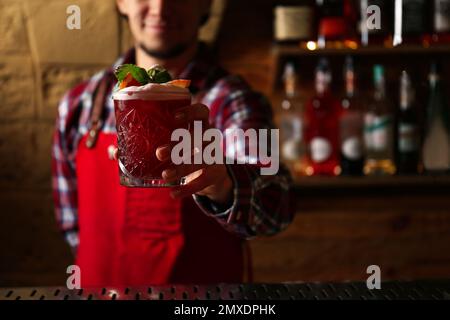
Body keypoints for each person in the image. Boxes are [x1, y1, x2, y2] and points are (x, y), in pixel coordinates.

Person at [52, 0, 294, 287]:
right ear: (121, 3)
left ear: (205, 5)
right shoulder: (78, 105)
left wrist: (224, 185)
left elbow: (278, 203)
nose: (160, 7)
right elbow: (72, 226)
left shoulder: (236, 102)